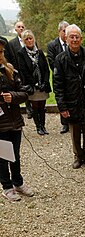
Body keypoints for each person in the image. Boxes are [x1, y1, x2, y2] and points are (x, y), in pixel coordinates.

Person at [53, 24, 85, 169]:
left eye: (77, 37)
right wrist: (62, 106)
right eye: (71, 37)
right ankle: (78, 156)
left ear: (81, 39)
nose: (74, 39)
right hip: (71, 101)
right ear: (66, 38)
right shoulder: (60, 59)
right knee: (74, 131)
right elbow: (58, 85)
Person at [0, 37, 34, 201]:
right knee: (3, 156)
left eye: (1, 51)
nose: (0, 54)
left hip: (14, 121)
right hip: (0, 124)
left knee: (15, 154)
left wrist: (11, 97)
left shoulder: (10, 70)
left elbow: (24, 93)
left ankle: (18, 183)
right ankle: (6, 187)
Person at [17, 29, 51, 136]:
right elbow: (23, 71)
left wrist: (44, 82)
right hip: (32, 85)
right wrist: (34, 83)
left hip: (42, 84)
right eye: (26, 39)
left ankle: (43, 125)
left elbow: (46, 68)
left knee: (42, 106)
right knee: (35, 106)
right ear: (23, 41)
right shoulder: (21, 54)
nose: (29, 41)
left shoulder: (39, 52)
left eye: (30, 38)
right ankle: (38, 126)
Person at [5, 21, 33, 119]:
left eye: (22, 27)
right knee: (23, 89)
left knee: (31, 88)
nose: (21, 28)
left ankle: (34, 108)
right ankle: (28, 109)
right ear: (15, 29)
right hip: (17, 71)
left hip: (29, 71)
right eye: (19, 27)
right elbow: (7, 58)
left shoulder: (30, 40)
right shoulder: (11, 43)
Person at [47, 20, 70, 134]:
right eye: (64, 31)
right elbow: (52, 62)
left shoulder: (72, 43)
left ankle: (74, 122)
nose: (66, 34)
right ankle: (65, 124)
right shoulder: (52, 45)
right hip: (59, 77)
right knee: (62, 98)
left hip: (72, 78)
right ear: (59, 31)